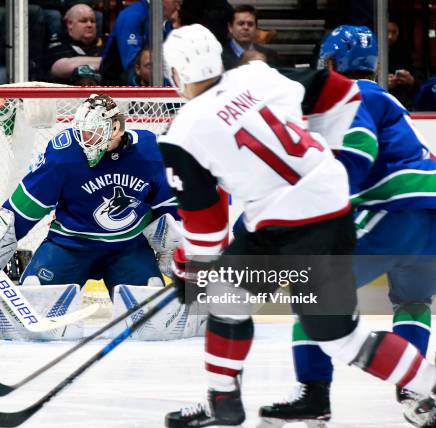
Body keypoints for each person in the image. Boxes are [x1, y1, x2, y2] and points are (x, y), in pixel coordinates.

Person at [158, 24, 436, 428]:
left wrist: (192, 267)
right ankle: (426, 385)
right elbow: (340, 92)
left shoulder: (180, 132)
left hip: (299, 222)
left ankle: (232, 401)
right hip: (335, 213)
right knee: (345, 335)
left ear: (177, 75)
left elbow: (207, 226)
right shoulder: (257, 74)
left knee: (226, 297)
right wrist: (319, 159)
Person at [259, 25, 436, 428]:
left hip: (397, 208)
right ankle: (418, 393)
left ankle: (313, 394)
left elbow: (357, 152)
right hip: (431, 211)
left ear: (331, 64)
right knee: (411, 302)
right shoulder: (386, 97)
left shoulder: (351, 97)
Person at [0, 94, 178, 292]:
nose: (85, 140)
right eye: (82, 132)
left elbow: (168, 207)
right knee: (36, 291)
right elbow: (26, 206)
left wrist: (173, 250)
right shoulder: (64, 153)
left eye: (93, 132)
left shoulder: (149, 151)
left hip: (128, 247)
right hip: (70, 244)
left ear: (115, 129)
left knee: (150, 295)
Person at [99, 0, 180, 86]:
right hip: (119, 89)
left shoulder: (166, 20)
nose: (177, 7)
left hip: (156, 84)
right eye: (176, 2)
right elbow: (132, 65)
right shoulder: (131, 16)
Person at [44, 3, 103, 84]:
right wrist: (106, 62)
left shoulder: (105, 43)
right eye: (83, 21)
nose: (90, 25)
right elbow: (63, 67)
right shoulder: (59, 43)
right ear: (70, 24)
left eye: (92, 21)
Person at [221, 4, 280, 71]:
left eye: (250, 24)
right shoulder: (219, 56)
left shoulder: (271, 55)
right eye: (241, 24)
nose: (246, 27)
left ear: (256, 28)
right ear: (230, 27)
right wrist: (241, 65)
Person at [388, 21, 420, 110]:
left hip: (404, 101)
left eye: (394, 32)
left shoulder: (407, 52)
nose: (390, 36)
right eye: (387, 32)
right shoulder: (372, 53)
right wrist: (381, 82)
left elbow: (420, 79)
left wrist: (411, 80)